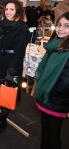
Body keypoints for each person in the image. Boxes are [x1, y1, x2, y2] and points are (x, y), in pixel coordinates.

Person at [0, 0, 30, 133]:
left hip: (11, 64)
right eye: (7, 9)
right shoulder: (4, 25)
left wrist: (12, 72)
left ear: (18, 11)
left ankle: (2, 121)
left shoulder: (22, 29)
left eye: (12, 9)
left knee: (6, 95)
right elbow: (2, 42)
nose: (8, 12)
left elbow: (19, 53)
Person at [33, 12, 69, 149]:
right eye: (59, 25)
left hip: (56, 98)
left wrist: (47, 92)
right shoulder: (56, 45)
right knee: (46, 129)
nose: (61, 29)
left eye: (67, 26)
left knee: (53, 133)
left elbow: (66, 83)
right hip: (48, 97)